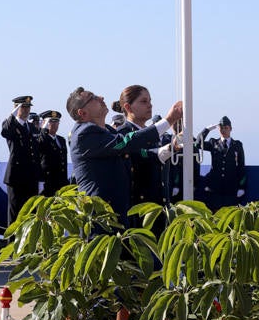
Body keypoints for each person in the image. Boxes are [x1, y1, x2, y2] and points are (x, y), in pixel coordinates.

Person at [66, 87, 183, 225]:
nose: (101, 97)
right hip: (101, 220)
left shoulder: (108, 131)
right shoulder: (84, 134)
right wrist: (169, 120)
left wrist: (170, 148)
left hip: (119, 217)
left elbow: (137, 155)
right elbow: (125, 142)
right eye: (93, 98)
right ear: (83, 113)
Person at [117, 85, 166, 212]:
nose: (150, 105)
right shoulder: (123, 134)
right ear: (128, 107)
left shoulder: (150, 134)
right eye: (144, 101)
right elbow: (141, 155)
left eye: (150, 101)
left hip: (156, 204)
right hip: (138, 207)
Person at [1, 95, 40, 224]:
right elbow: (5, 131)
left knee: (31, 213)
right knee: (15, 213)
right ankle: (12, 243)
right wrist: (12, 115)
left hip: (31, 176)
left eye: (28, 107)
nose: (27, 110)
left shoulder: (32, 127)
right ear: (17, 108)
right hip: (16, 176)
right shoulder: (12, 124)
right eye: (23, 107)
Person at [199, 116, 247, 210]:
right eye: (221, 128)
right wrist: (207, 130)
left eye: (226, 128)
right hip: (214, 189)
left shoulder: (237, 145)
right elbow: (197, 144)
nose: (223, 130)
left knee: (229, 217)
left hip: (231, 188)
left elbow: (241, 167)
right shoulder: (213, 143)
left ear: (230, 129)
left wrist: (242, 187)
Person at [37, 110, 68, 197]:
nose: (54, 124)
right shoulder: (41, 139)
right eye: (50, 121)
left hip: (61, 182)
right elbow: (41, 144)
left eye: (56, 121)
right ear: (45, 123)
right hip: (47, 182)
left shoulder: (61, 140)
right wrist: (43, 129)